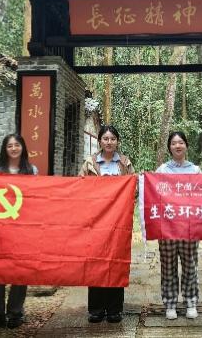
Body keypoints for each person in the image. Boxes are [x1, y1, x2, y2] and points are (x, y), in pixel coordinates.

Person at [78, 124, 134, 324]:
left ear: (117, 141)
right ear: (100, 141)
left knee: (116, 262)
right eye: (105, 138)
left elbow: (133, 188)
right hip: (96, 221)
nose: (109, 142)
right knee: (96, 262)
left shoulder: (125, 163)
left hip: (118, 221)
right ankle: (96, 309)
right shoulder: (89, 163)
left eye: (112, 139)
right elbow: (80, 188)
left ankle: (114, 309)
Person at [0, 133, 38, 330]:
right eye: (10, 146)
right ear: (4, 149)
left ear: (23, 148)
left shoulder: (31, 170)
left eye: (17, 145)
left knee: (21, 270)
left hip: (23, 229)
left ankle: (15, 313)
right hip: (0, 229)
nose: (14, 148)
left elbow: (36, 197)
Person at [155, 131, 202, 320]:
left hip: (189, 226)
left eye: (181, 142)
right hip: (167, 227)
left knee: (190, 264)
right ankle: (170, 303)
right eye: (174, 143)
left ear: (186, 146)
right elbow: (154, 194)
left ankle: (191, 302)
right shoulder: (162, 170)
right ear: (169, 147)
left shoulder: (195, 171)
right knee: (168, 266)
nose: (177, 146)